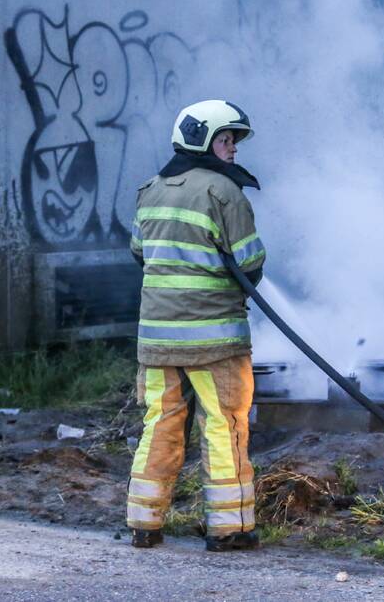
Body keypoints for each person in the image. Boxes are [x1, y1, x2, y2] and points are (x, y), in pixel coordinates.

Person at [126, 99, 266, 552]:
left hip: (157, 340)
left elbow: (139, 253)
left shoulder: (149, 189)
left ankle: (144, 523)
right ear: (205, 142)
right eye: (226, 140)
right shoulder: (224, 193)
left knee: (159, 424)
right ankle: (230, 529)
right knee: (224, 425)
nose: (233, 150)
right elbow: (250, 262)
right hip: (214, 341)